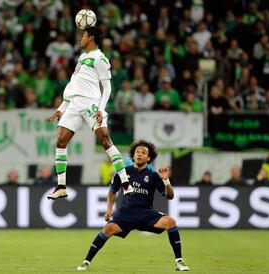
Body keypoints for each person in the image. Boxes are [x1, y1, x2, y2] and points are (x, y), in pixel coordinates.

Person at [47, 27, 133, 199]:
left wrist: (101, 109)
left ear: (91, 38)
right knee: (61, 141)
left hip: (91, 104)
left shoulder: (100, 58)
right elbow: (73, 85)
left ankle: (126, 183)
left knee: (105, 140)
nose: (81, 39)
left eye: (84, 36)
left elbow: (107, 87)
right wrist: (61, 108)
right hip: (74, 104)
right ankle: (61, 186)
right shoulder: (82, 57)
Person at [76, 140, 190, 271]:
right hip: (126, 213)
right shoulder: (123, 172)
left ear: (149, 157)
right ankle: (86, 261)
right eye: (137, 152)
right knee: (107, 229)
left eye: (143, 153)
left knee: (170, 222)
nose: (139, 154)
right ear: (133, 155)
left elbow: (170, 196)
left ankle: (179, 262)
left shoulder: (153, 176)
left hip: (146, 213)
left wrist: (166, 180)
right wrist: (109, 209)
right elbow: (112, 191)